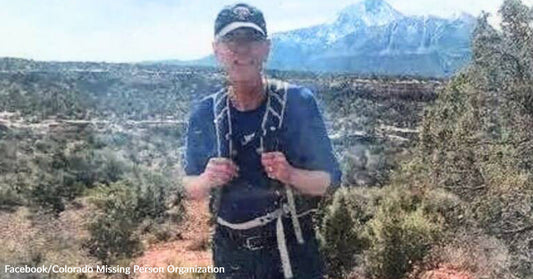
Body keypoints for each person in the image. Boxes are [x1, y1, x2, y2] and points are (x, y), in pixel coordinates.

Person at [182, 3, 341, 279]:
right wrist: (207, 178)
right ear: (216, 49)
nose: (242, 49)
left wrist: (290, 174)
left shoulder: (298, 103)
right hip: (229, 255)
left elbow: (330, 182)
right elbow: (190, 187)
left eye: (252, 40)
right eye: (232, 40)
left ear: (266, 48)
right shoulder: (204, 114)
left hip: (291, 252)